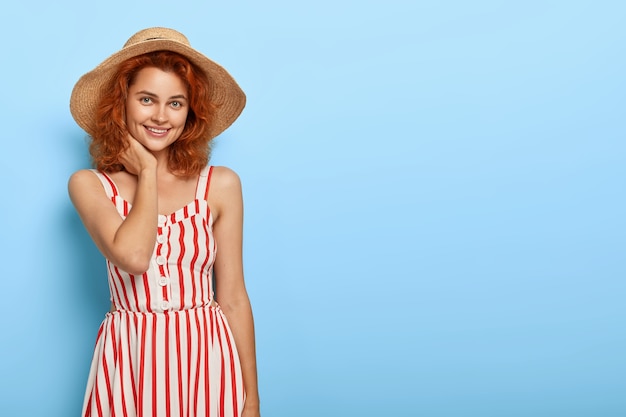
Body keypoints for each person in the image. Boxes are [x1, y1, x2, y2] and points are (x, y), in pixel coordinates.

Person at [68, 27, 260, 417]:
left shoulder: (220, 185)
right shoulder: (90, 185)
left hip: (207, 361)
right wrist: (148, 172)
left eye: (176, 103)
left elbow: (234, 297)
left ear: (191, 111)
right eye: (146, 99)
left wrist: (251, 400)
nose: (160, 115)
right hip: (131, 359)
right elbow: (135, 257)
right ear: (120, 104)